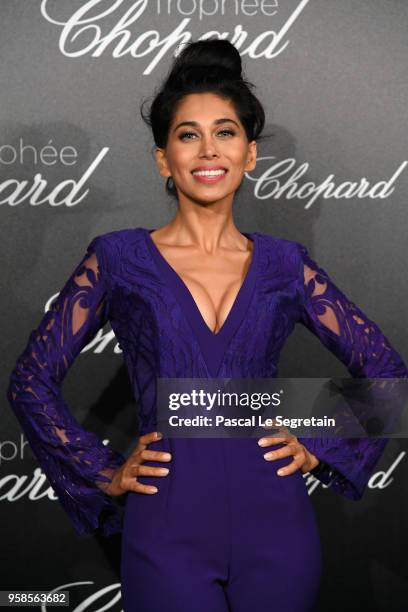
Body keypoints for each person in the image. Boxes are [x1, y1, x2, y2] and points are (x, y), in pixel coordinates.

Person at [7, 39, 408, 612]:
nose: (207, 149)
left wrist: (318, 445)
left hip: (277, 525)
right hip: (165, 526)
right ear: (163, 159)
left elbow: (387, 372)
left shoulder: (285, 264)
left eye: (225, 132)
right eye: (187, 134)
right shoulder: (118, 258)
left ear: (249, 155)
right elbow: (30, 381)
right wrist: (101, 470)